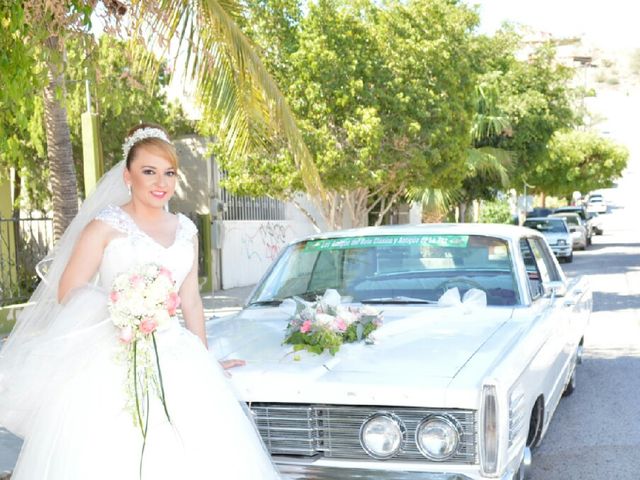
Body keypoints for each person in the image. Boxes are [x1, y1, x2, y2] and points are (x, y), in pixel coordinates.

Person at [0, 124, 280, 479]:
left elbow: (190, 300)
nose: (160, 182)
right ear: (127, 175)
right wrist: (124, 306)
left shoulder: (187, 229)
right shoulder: (104, 226)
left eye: (169, 173)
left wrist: (207, 360)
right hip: (111, 359)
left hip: (176, 354)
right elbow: (68, 290)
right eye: (149, 171)